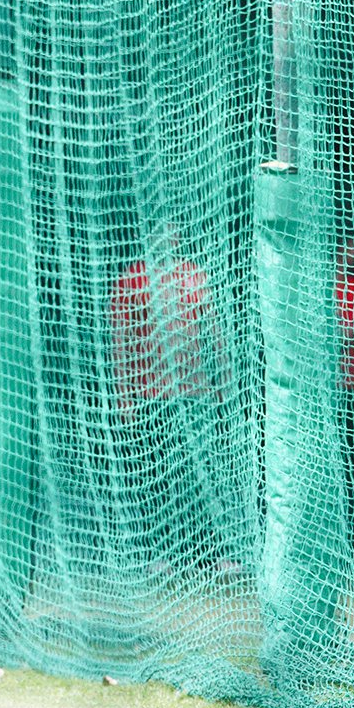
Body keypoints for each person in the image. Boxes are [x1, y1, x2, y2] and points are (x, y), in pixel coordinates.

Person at [109, 227, 238, 574]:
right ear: (147, 238)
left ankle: (212, 552)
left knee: (201, 476)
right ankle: (162, 553)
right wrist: (124, 396)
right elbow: (119, 342)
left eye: (172, 234)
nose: (166, 240)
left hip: (194, 394)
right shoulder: (131, 279)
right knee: (159, 479)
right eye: (158, 234)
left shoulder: (195, 277)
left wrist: (223, 382)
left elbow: (215, 334)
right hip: (152, 396)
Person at [336, 237, 354, 563]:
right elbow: (337, 333)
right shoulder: (332, 287)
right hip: (342, 390)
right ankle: (343, 542)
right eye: (351, 249)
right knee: (344, 468)